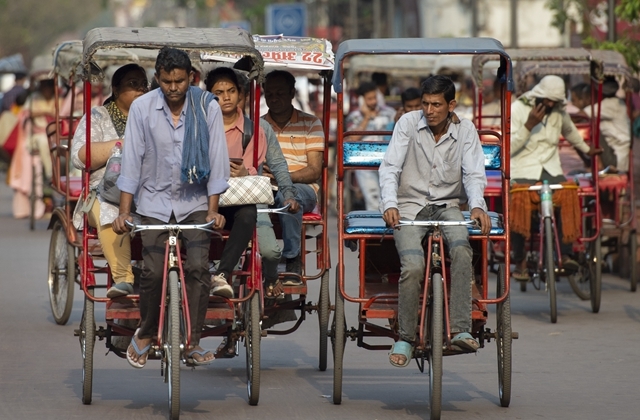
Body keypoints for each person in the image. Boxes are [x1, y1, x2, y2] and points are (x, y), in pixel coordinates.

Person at [113, 47, 229, 368]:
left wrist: (213, 209)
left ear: (190, 78)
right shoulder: (142, 108)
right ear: (158, 79)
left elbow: (218, 162)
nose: (174, 88)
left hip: (194, 202)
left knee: (197, 268)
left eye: (180, 81)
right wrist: (125, 212)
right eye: (167, 82)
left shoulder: (207, 106)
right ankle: (147, 332)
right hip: (153, 201)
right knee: (150, 272)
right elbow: (131, 162)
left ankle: (192, 342)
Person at [380, 75, 491, 367]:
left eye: (436, 105)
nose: (429, 110)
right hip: (409, 207)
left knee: (463, 250)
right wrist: (389, 204)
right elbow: (390, 167)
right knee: (413, 266)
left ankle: (460, 328)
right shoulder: (407, 124)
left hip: (448, 206)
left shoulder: (466, 130)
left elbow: (473, 174)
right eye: (426, 104)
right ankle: (405, 337)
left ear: (451, 105)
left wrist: (478, 206)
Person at [510, 75, 601, 280]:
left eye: (554, 101)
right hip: (523, 168)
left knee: (568, 194)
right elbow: (509, 148)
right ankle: (520, 261)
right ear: (539, 95)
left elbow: (570, 132)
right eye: (547, 100)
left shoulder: (559, 111)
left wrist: (587, 150)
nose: (550, 104)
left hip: (551, 168)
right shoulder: (518, 109)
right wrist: (528, 125)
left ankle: (567, 253)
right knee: (518, 202)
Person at [71, 63, 148, 298]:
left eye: (144, 85)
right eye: (132, 84)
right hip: (101, 193)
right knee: (110, 212)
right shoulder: (97, 116)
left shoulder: (154, 116)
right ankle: (124, 278)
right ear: (115, 89)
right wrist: (122, 146)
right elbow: (80, 156)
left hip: (147, 191)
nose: (140, 90)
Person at [262, 70, 324, 283]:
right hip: (265, 187)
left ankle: (292, 259)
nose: (274, 98)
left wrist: (283, 179)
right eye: (269, 94)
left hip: (302, 188)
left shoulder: (311, 124)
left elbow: (315, 170)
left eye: (280, 93)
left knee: (289, 198)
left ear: (292, 93)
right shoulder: (258, 125)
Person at [346, 81, 396, 211]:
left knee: (388, 197)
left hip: (388, 160)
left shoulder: (389, 113)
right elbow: (352, 138)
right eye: (369, 99)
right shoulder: (355, 117)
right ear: (361, 99)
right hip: (364, 163)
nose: (373, 101)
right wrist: (366, 118)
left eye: (375, 97)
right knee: (372, 198)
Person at [571, 78, 630, 172]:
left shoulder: (609, 104)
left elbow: (579, 116)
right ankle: (592, 163)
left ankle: (598, 166)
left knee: (585, 127)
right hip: (614, 153)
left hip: (615, 158)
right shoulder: (615, 102)